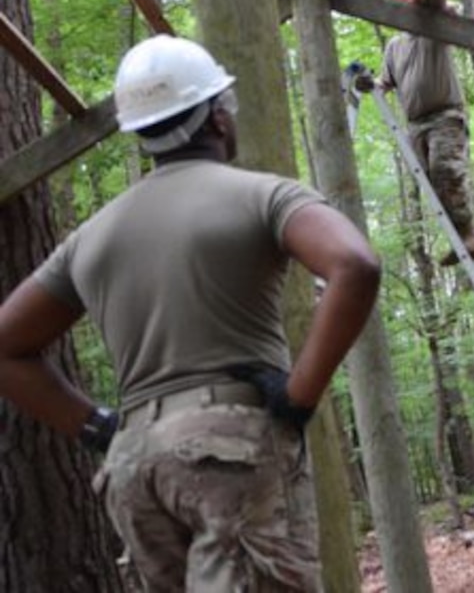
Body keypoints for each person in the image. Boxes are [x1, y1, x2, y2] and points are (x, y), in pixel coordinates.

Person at [0, 34, 381, 591]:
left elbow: (6, 345)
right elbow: (355, 265)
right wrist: (298, 397)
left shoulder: (91, 237)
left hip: (133, 468)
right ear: (219, 119)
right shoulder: (264, 195)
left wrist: (98, 427)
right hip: (227, 450)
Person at [380, 0, 474, 265]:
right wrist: (367, 85)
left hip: (445, 116)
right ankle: (460, 239)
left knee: (445, 169)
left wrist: (432, 6)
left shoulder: (432, 30)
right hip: (415, 125)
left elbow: (455, 11)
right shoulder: (394, 46)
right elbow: (385, 82)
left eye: (410, 5)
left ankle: (469, 233)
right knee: (430, 183)